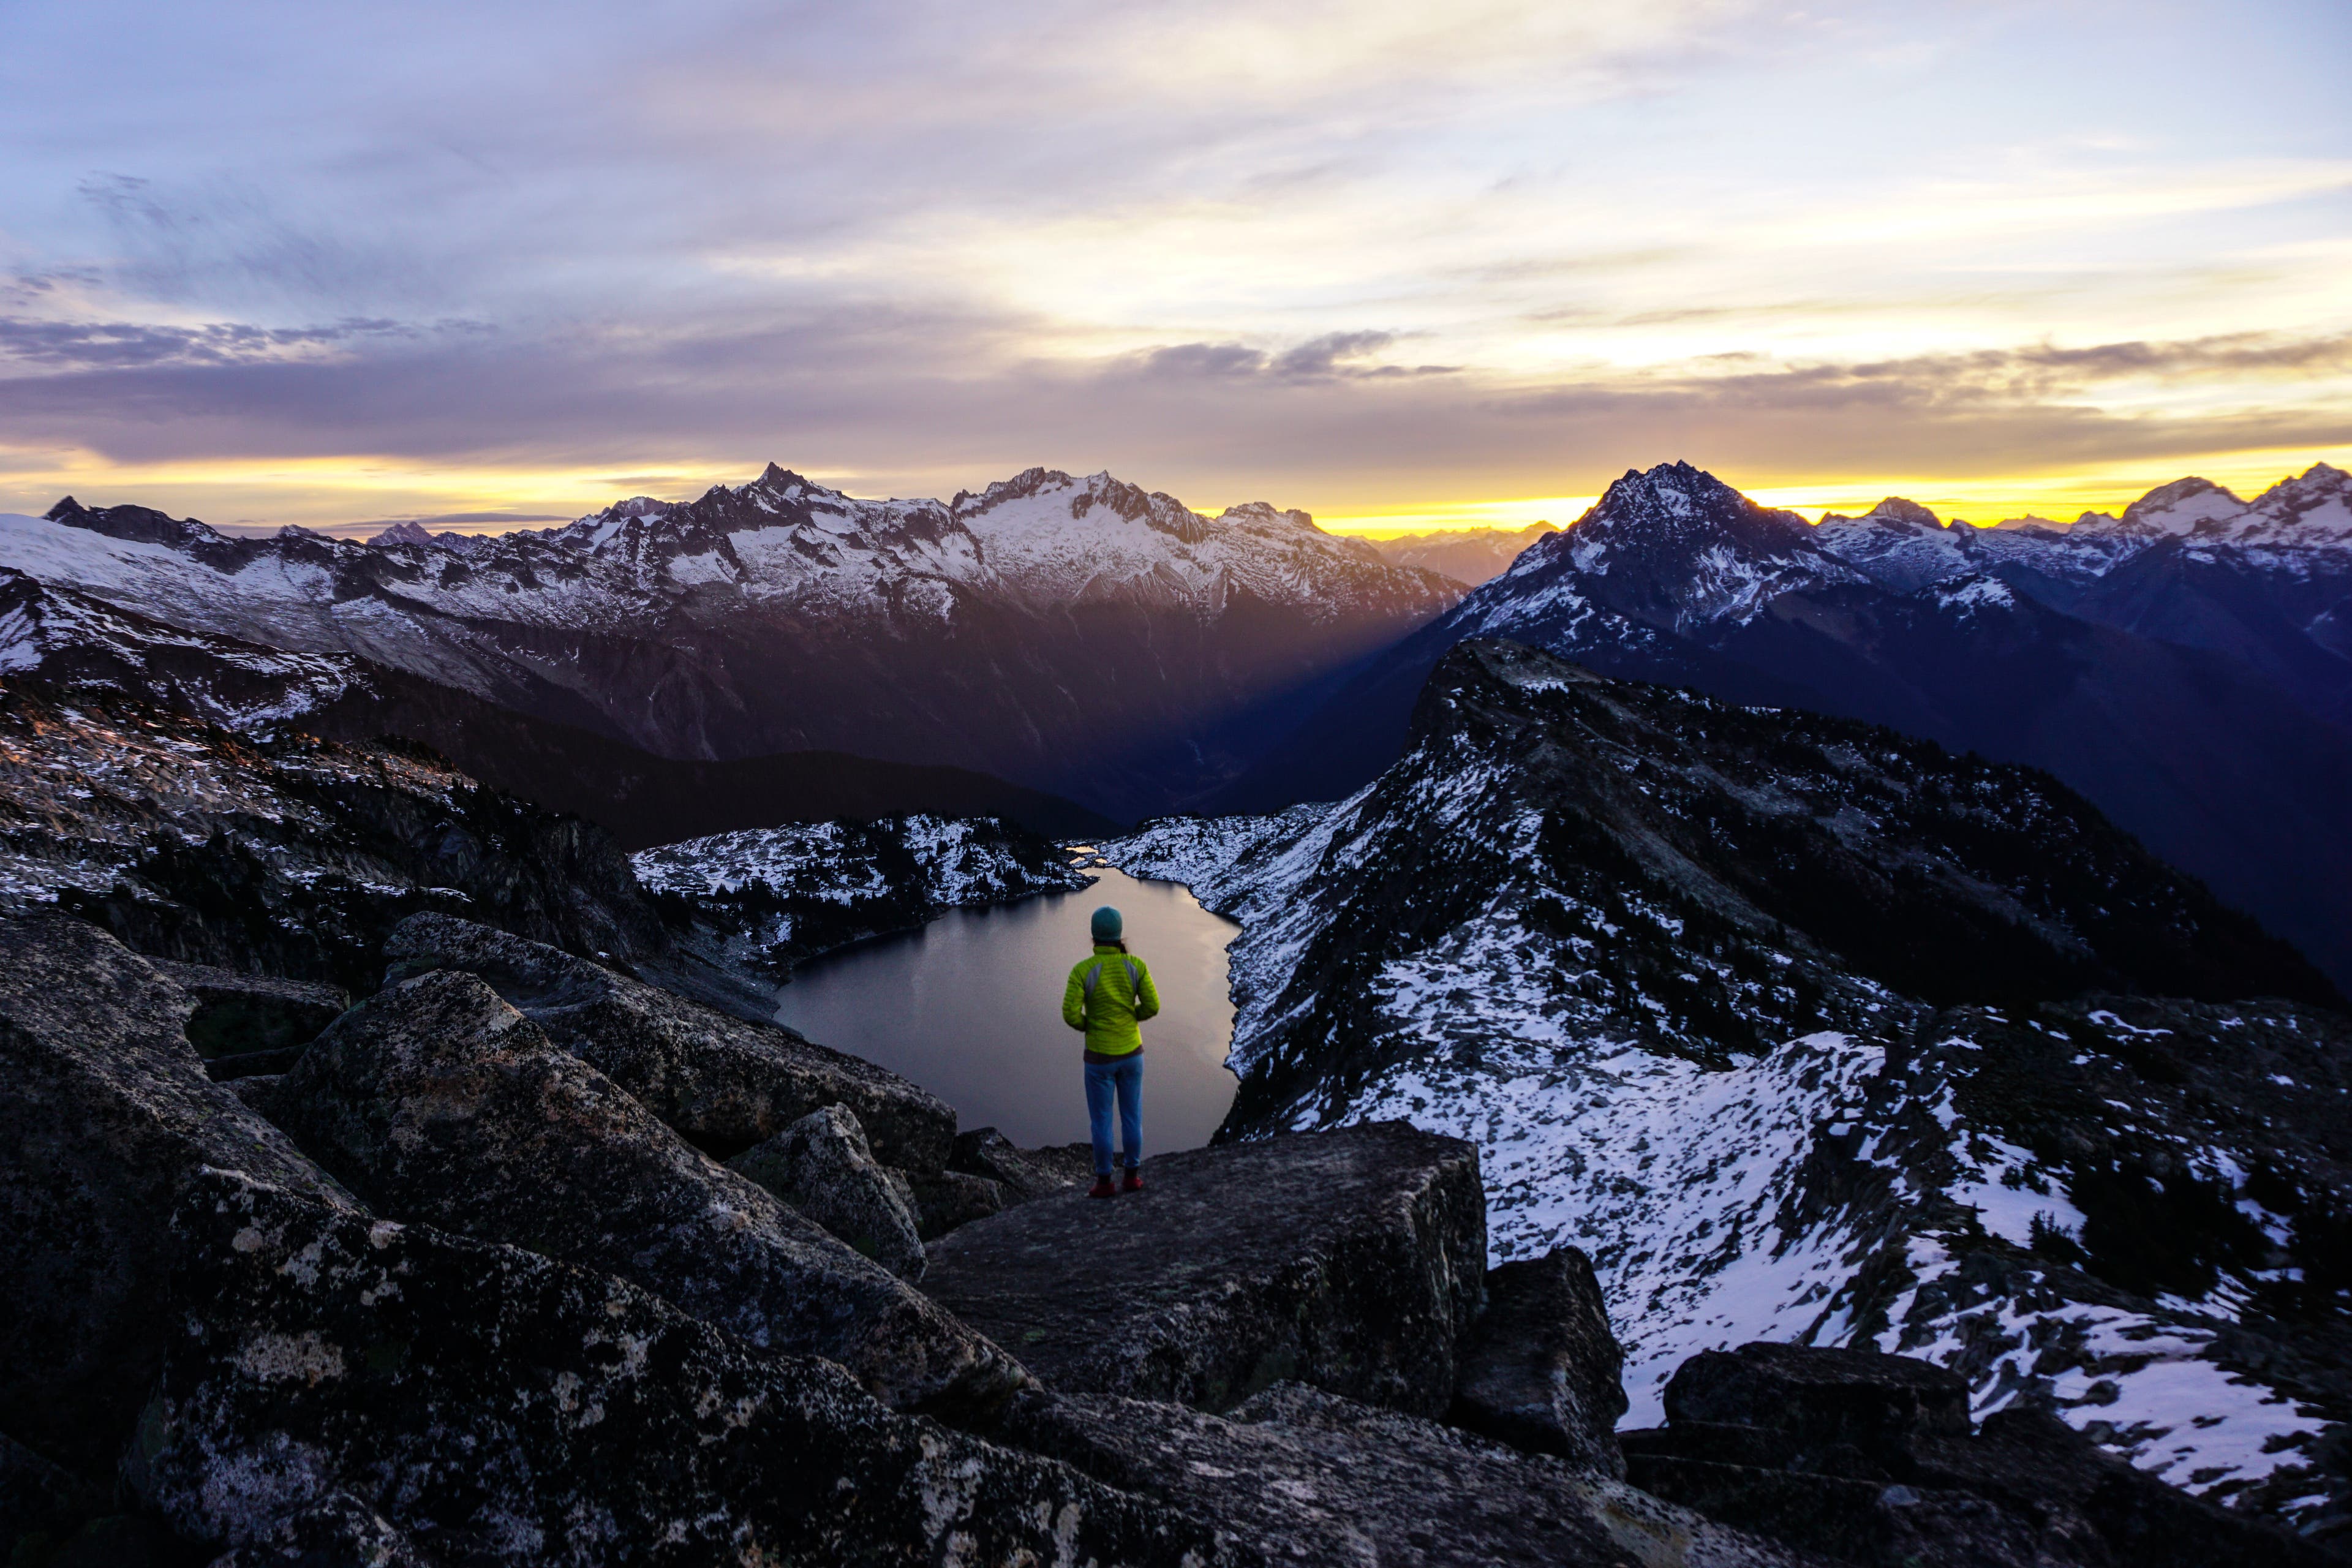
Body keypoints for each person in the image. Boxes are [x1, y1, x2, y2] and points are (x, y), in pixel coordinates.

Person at [1061, 905, 1159, 1198]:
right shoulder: (1136, 966)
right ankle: (1131, 1177)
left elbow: (1070, 1014)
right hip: (1132, 1053)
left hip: (1099, 1058)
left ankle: (1104, 1182)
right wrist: (1131, 1019)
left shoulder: (1082, 971)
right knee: (1132, 1117)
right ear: (1119, 935)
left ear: (1094, 936)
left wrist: (1090, 1026)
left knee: (1101, 1121)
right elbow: (1152, 1006)